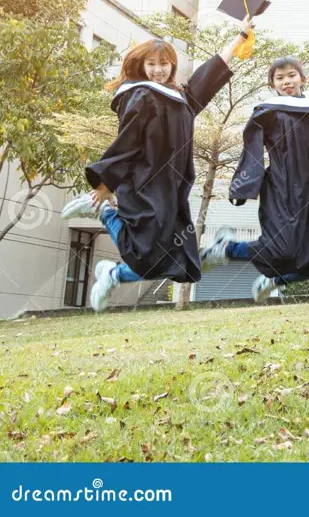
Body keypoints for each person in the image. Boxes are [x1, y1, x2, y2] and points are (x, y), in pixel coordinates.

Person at [60, 19, 254, 311]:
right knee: (149, 251)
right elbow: (128, 142)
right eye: (151, 63)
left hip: (173, 186)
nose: (158, 69)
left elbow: (209, 74)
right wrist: (104, 184)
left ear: (173, 66)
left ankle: (113, 273)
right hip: (143, 183)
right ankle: (105, 212)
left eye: (164, 64)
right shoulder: (137, 95)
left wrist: (239, 38)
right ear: (141, 65)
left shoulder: (180, 98)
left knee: (176, 259)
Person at [199, 10, 309, 301]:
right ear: (273, 85)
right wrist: (245, 185)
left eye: (291, 75)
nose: (286, 81)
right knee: (283, 247)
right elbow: (252, 149)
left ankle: (276, 280)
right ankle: (227, 248)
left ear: (302, 78)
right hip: (283, 186)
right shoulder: (268, 111)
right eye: (279, 78)